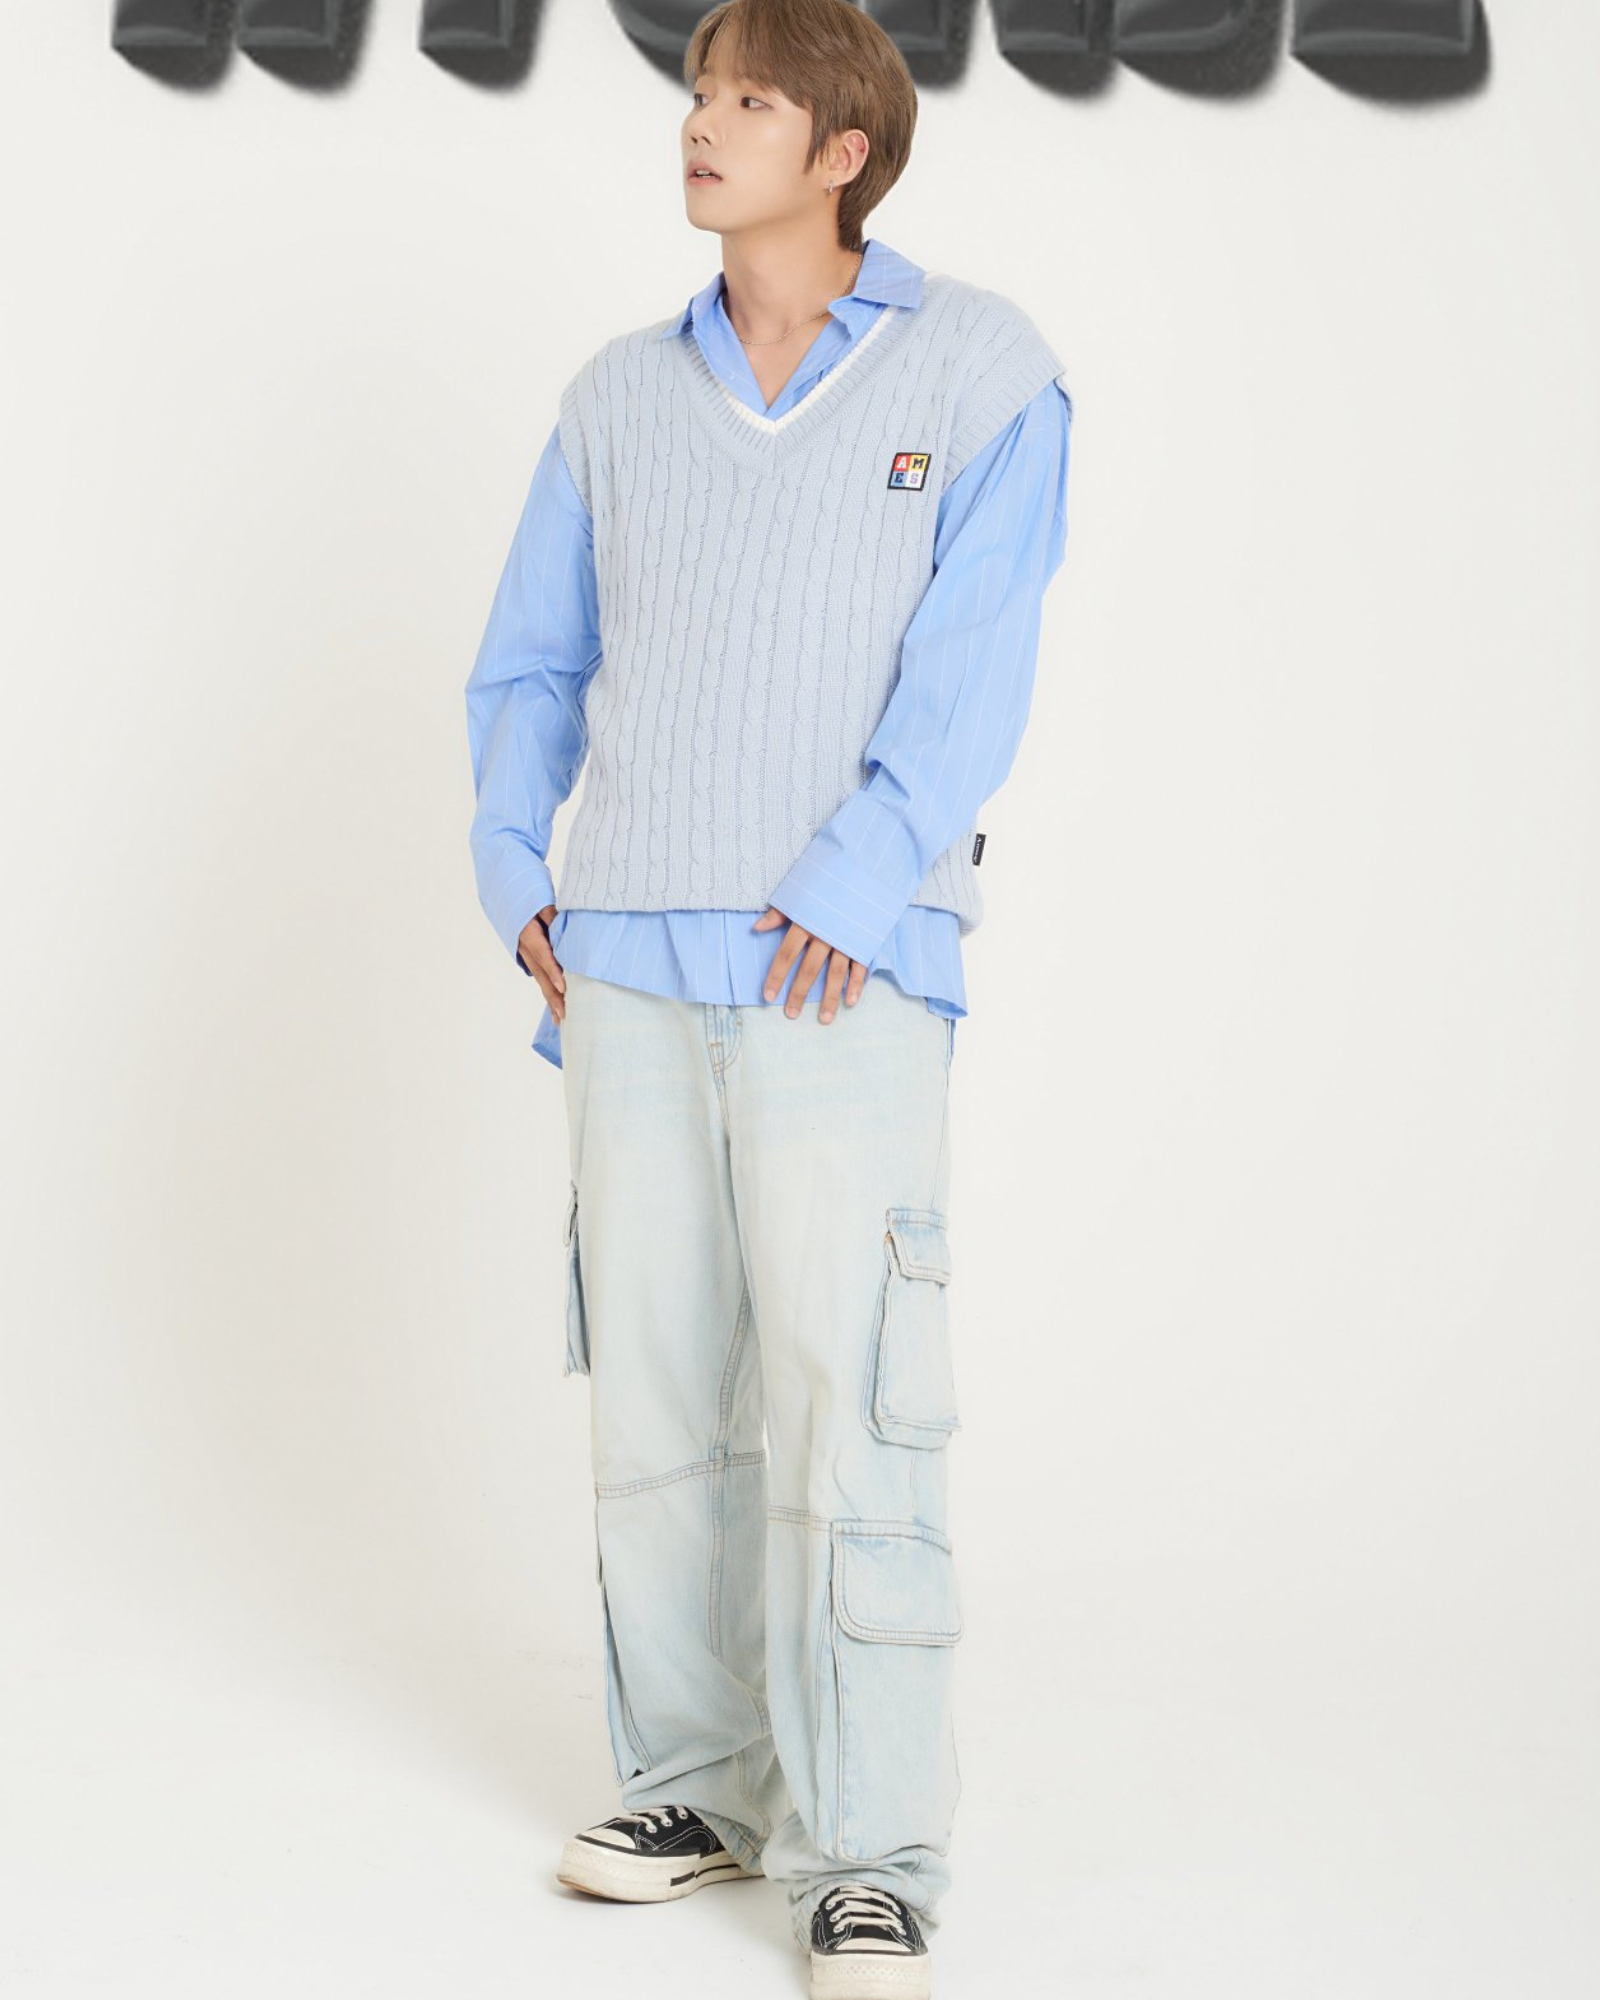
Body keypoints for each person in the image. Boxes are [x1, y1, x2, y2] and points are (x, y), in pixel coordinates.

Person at [464, 3, 1074, 1993]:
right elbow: (528, 665)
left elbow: (973, 663)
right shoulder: (615, 396)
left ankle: (868, 1850)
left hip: (846, 961)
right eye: (695, 92)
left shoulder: (980, 370)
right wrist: (519, 876)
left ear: (843, 148)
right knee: (657, 1391)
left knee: (852, 1399)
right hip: (630, 960)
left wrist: (853, 869)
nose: (700, 124)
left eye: (745, 98)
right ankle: (698, 1779)